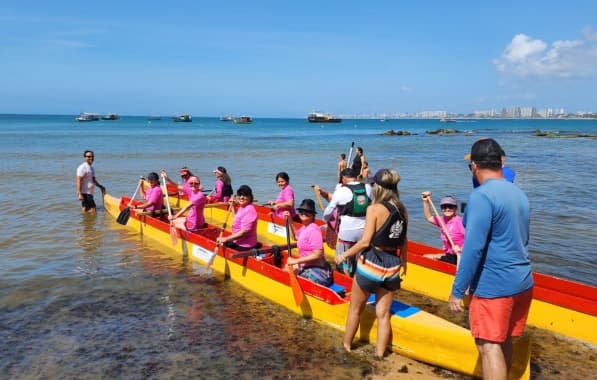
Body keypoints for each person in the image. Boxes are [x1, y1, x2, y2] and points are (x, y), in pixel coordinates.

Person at [449, 138, 533, 380]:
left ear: (474, 166)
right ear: (500, 162)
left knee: (488, 346)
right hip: (523, 282)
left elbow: (472, 248)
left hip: (494, 286)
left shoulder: (481, 197)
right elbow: (523, 238)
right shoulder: (519, 193)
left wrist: (458, 289)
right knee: (504, 340)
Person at [335, 168, 408, 358]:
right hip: (393, 264)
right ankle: (379, 355)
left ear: (378, 187)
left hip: (372, 263)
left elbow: (365, 242)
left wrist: (343, 256)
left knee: (355, 310)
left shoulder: (374, 209)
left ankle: (347, 347)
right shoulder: (402, 210)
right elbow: (403, 240)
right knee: (383, 315)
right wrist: (404, 262)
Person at [323, 168, 372, 275]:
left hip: (347, 233)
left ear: (344, 179)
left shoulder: (341, 190)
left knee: (343, 260)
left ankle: (346, 278)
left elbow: (329, 211)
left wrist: (326, 220)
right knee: (360, 259)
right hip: (365, 232)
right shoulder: (368, 187)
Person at [285, 199, 333, 286]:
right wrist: (289, 220)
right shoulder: (304, 227)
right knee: (286, 269)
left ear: (313, 215)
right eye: (301, 211)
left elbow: (318, 254)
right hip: (308, 267)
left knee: (287, 272)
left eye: (307, 211)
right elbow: (294, 237)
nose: (303, 213)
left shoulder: (313, 230)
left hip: (319, 271)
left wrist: (296, 261)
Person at [420, 193, 465, 264]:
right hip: (451, 255)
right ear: (441, 208)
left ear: (455, 208)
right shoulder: (442, 220)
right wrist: (426, 201)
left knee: (426, 257)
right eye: (444, 207)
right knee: (436, 255)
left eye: (450, 206)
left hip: (460, 256)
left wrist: (461, 249)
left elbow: (472, 239)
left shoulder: (460, 222)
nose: (447, 209)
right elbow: (429, 217)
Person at [216, 185, 259, 250]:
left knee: (220, 243)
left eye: (244, 195)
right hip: (238, 241)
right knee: (219, 241)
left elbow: (244, 232)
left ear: (250, 197)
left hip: (245, 245)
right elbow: (236, 219)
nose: (241, 197)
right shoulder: (243, 207)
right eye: (240, 195)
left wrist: (226, 238)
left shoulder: (249, 210)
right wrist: (233, 206)